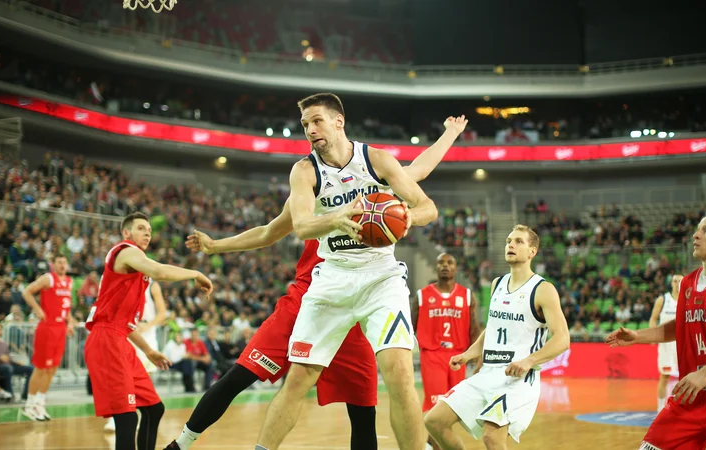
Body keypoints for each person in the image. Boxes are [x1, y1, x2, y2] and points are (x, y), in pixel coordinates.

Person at [165, 113, 468, 450]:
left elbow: (418, 170)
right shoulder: (307, 193)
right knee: (247, 376)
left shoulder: (374, 180)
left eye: (318, 123)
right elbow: (269, 232)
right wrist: (216, 245)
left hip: (365, 296)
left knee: (364, 407)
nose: (312, 131)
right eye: (306, 125)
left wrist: (450, 133)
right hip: (312, 295)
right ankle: (180, 444)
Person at [607, 212, 706, 450]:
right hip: (692, 393)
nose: (695, 235)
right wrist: (639, 336)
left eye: (705, 230)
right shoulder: (688, 283)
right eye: (697, 229)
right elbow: (681, 327)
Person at [424, 225, 570, 450]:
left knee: (492, 438)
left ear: (532, 252)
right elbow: (492, 327)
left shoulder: (543, 289)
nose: (510, 244)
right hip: (487, 374)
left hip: (517, 380)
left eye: (519, 241)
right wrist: (468, 354)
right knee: (434, 421)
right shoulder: (497, 284)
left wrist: (529, 360)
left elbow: (562, 339)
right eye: (509, 240)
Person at [85, 212, 213, 450]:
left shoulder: (137, 272)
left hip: (121, 338)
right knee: (127, 417)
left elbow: (126, 325)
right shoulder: (126, 250)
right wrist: (195, 273)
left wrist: (149, 351)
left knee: (154, 409)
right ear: (127, 233)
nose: (147, 233)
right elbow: (160, 272)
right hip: (106, 339)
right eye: (141, 228)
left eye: (149, 230)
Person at [413, 253, 480, 450]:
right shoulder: (422, 295)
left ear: (456, 268)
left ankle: (429, 443)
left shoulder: (467, 296)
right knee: (437, 405)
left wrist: (476, 354)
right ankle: (431, 446)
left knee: (453, 408)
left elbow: (474, 328)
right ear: (436, 267)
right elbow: (409, 325)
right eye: (441, 262)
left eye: (450, 262)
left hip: (458, 356)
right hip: (432, 355)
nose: (445, 265)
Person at [105, 278, 167, 431]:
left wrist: (148, 325)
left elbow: (162, 313)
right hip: (128, 331)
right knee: (122, 377)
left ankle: (141, 414)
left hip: (147, 334)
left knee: (144, 379)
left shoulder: (153, 285)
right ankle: (119, 417)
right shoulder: (125, 282)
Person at [20, 254, 75, 421]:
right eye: (59, 262)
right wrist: (37, 309)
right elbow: (27, 292)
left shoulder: (69, 282)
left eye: (65, 262)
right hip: (47, 327)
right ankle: (29, 404)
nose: (62, 265)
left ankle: (39, 403)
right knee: (41, 367)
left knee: (52, 369)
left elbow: (66, 305)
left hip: (60, 328)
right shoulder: (48, 279)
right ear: (53, 264)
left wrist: (70, 322)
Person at [647, 273, 683, 412]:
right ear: (671, 283)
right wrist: (652, 335)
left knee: (685, 378)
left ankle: (680, 408)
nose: (677, 283)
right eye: (675, 281)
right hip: (666, 345)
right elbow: (653, 318)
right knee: (664, 376)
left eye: (680, 281)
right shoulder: (663, 299)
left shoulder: (688, 300)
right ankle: (660, 408)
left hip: (682, 344)